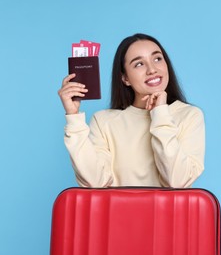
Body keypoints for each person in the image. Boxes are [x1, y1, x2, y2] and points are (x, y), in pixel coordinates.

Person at [58, 33, 205, 188]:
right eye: (139, 64)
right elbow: (94, 182)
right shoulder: (103, 121)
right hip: (116, 212)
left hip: (167, 213)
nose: (152, 70)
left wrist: (160, 113)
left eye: (157, 59)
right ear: (125, 78)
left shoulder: (189, 115)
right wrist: (73, 117)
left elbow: (177, 181)